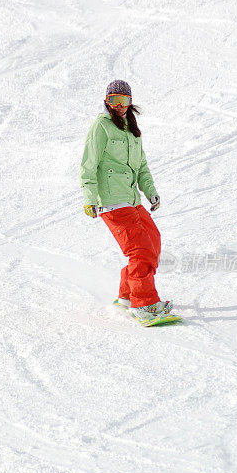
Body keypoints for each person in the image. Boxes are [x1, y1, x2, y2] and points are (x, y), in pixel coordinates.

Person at [79, 79, 172, 321]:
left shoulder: (131, 130)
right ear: (106, 101)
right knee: (140, 251)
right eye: (114, 100)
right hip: (112, 200)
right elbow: (88, 165)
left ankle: (128, 295)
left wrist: (150, 191)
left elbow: (141, 167)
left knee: (153, 241)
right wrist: (89, 198)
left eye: (124, 101)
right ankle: (144, 304)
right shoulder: (101, 126)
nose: (119, 106)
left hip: (131, 199)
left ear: (130, 103)